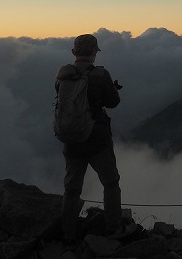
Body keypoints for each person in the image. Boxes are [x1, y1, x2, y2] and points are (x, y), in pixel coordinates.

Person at [57, 34, 123, 243]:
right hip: (97, 138)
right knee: (110, 182)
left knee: (72, 188)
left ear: (74, 52)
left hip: (71, 137)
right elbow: (113, 102)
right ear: (94, 52)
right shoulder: (100, 74)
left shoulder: (63, 75)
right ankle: (113, 229)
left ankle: (67, 234)